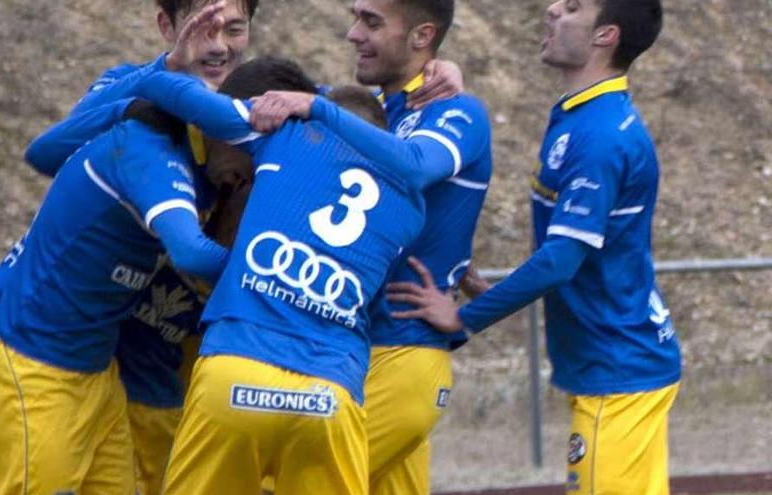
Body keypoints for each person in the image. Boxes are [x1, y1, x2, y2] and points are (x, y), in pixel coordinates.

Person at [126, 54, 482, 494]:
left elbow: (169, 91)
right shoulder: (412, 209)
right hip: (329, 394)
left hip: (237, 369)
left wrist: (172, 62)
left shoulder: (287, 138)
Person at [386, 1, 681, 494]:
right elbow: (578, 252)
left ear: (605, 36)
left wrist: (463, 318)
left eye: (572, 7)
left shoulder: (600, 135)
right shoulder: (583, 116)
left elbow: (561, 260)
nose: (550, 10)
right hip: (624, 364)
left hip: (618, 371)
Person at [250, 1, 493, 493]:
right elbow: (257, 97)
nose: (352, 33)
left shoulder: (457, 110)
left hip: (403, 355)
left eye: (372, 22)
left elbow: (418, 165)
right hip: (359, 350)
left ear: (422, 35)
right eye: (355, 16)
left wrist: (475, 314)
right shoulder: (376, 111)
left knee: (291, 484)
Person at [0, 66, 231, 495]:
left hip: (97, 373)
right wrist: (269, 272)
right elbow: (191, 253)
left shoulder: (193, 158)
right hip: (35, 367)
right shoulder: (151, 153)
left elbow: (44, 150)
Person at [21, 3, 254, 493]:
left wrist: (428, 76)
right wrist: (163, 74)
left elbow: (344, 114)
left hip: (181, 383)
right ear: (167, 27)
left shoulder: (259, 111)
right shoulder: (137, 100)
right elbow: (45, 153)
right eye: (202, 28)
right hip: (83, 363)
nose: (218, 45)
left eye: (234, 29)